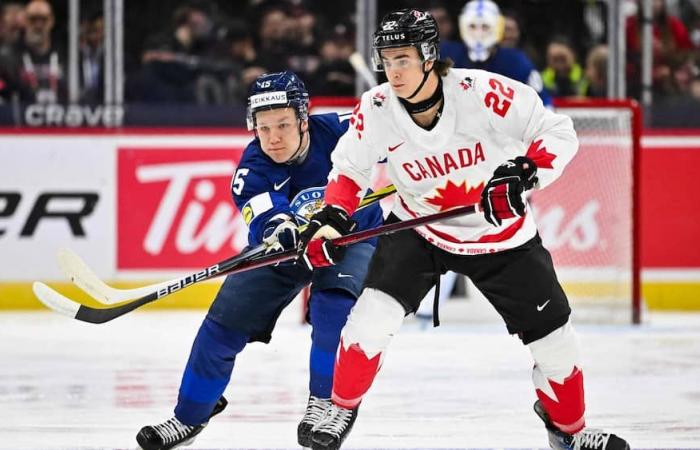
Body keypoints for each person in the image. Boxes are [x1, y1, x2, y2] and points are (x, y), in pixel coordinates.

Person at [298, 8, 630, 450]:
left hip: (502, 236)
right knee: (368, 320)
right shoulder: (377, 107)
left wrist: (524, 172)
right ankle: (341, 405)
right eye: (386, 60)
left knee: (557, 347)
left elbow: (558, 131)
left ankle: (568, 431)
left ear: (429, 56)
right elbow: (349, 169)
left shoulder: (483, 93)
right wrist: (332, 217)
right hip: (420, 231)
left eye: (403, 59)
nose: (393, 71)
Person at [135, 71, 382, 450]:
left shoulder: (344, 130)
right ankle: (189, 416)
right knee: (221, 328)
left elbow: (397, 141)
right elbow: (264, 212)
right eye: (263, 129)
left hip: (350, 240)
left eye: (283, 125)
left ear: (304, 118)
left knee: (332, 307)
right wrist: (279, 228)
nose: (274, 138)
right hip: (288, 252)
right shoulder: (252, 168)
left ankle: (325, 403)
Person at [441, 0, 551, 106]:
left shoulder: (516, 62)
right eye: (472, 26)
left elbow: (543, 104)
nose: (478, 34)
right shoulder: (445, 55)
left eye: (485, 27)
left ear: (497, 27)